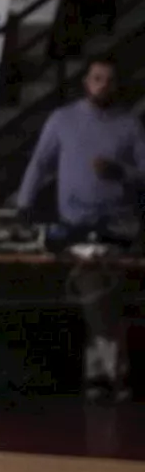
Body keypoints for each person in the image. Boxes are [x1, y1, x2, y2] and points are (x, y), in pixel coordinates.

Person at [16, 54, 145, 402]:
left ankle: (103, 374)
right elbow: (40, 163)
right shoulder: (63, 120)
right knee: (95, 290)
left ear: (118, 85)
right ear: (87, 82)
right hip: (75, 227)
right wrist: (24, 204)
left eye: (109, 79)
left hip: (117, 227)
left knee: (102, 293)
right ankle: (110, 373)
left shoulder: (129, 125)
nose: (102, 85)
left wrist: (121, 173)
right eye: (97, 78)